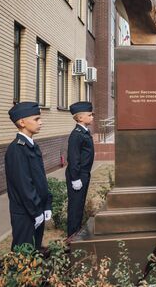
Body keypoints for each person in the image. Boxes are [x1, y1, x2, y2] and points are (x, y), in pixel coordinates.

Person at [4, 102, 52, 250]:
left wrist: (46, 204)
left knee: (35, 249)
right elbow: (24, 185)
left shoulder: (32, 145)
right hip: (26, 213)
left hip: (36, 209)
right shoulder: (17, 150)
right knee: (23, 254)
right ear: (22, 122)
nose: (41, 122)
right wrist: (36, 211)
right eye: (36, 119)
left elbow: (40, 180)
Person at [65, 101, 95, 237]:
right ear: (80, 118)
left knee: (80, 204)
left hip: (84, 173)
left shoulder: (84, 132)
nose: (92, 117)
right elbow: (73, 158)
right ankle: (72, 236)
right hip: (77, 175)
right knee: (75, 206)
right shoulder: (76, 134)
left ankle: (76, 232)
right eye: (90, 115)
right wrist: (75, 178)